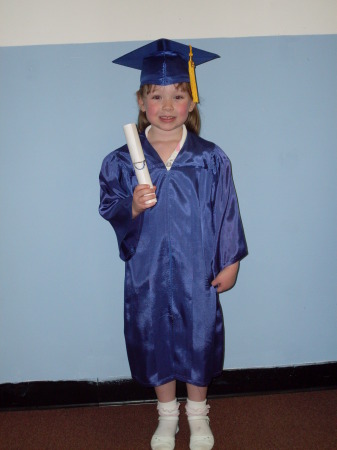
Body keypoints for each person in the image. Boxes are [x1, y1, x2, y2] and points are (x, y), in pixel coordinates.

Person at [99, 38, 248, 450]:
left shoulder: (211, 158)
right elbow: (109, 207)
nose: (167, 106)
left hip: (197, 270)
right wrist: (130, 205)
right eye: (157, 95)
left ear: (191, 102)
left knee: (198, 339)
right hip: (146, 270)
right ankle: (167, 417)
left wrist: (230, 259)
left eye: (178, 96)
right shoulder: (121, 161)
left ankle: (198, 417)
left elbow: (226, 211)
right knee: (155, 339)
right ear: (142, 101)